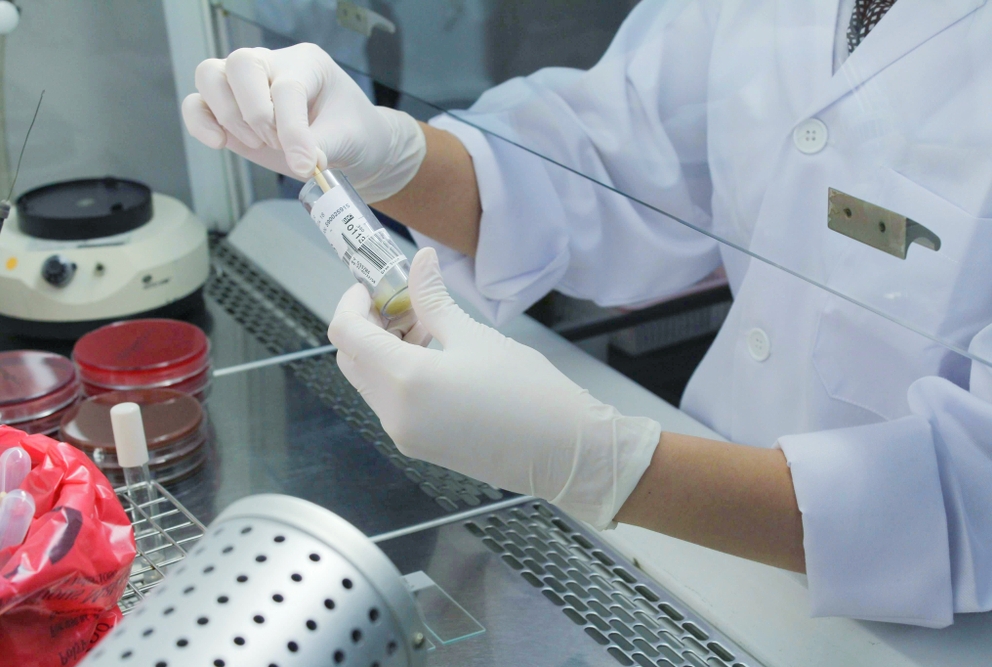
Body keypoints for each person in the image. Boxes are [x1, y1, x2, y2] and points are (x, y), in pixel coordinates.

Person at [182, 0, 992, 628]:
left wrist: (606, 461)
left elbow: (973, 491)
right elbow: (617, 158)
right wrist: (392, 153)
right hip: (700, 555)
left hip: (921, 625)